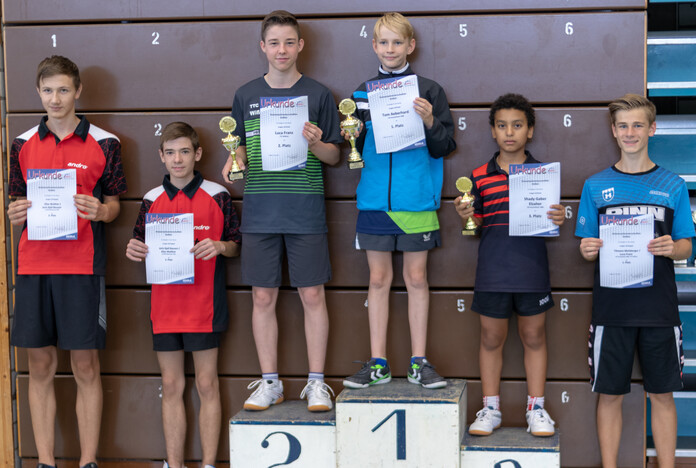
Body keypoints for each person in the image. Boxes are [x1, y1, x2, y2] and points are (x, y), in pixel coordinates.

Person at [7, 55, 127, 468]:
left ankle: (88, 461)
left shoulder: (105, 143)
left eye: (62, 90)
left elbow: (115, 206)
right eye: (47, 90)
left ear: (78, 91)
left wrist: (102, 211)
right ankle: (45, 462)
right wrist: (15, 212)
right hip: (34, 266)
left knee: (85, 364)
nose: (55, 99)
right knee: (39, 364)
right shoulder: (22, 143)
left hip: (82, 267)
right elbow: (16, 202)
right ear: (38, 92)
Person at [220, 10, 342, 412]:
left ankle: (317, 383)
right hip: (260, 211)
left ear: (300, 45)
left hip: (305, 209)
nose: (282, 50)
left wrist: (315, 143)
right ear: (263, 47)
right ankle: (270, 382)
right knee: (262, 297)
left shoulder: (319, 95)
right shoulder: (245, 94)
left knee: (312, 294)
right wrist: (233, 162)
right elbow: (237, 148)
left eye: (289, 42)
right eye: (274, 42)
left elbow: (334, 157)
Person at [575, 94, 693, 468]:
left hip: (659, 310)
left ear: (652, 129)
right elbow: (585, 246)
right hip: (612, 311)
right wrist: (587, 249)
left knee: (662, 395)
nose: (630, 132)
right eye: (623, 126)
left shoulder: (673, 184)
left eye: (638, 125)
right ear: (613, 131)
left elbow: (688, 245)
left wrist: (672, 247)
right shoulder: (595, 185)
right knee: (609, 395)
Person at [342, 12, 456, 390]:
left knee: (416, 279)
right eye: (383, 42)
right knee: (377, 280)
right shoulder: (360, 94)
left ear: (410, 46)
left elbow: (444, 146)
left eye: (397, 42)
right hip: (375, 200)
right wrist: (352, 134)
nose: (390, 49)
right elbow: (354, 150)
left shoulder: (429, 91)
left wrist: (430, 121)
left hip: (416, 200)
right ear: (374, 46)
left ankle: (419, 362)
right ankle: (378, 363)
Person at [126, 122, 241, 468]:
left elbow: (236, 245)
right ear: (161, 156)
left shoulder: (218, 194)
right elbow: (138, 244)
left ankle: (208, 464)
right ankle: (173, 464)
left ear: (198, 154)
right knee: (171, 385)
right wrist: (133, 249)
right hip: (164, 308)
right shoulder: (150, 200)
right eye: (171, 152)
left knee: (207, 384)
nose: (178, 159)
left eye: (185, 152)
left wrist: (220, 246)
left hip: (205, 305)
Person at [454, 93, 564, 436]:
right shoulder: (477, 176)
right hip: (493, 271)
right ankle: (491, 409)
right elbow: (476, 226)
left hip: (531, 271)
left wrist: (558, 217)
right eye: (502, 126)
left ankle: (536, 408)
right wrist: (466, 215)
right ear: (493, 131)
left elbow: (551, 220)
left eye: (517, 125)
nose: (509, 132)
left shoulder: (542, 175)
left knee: (534, 336)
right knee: (490, 338)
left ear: (530, 130)